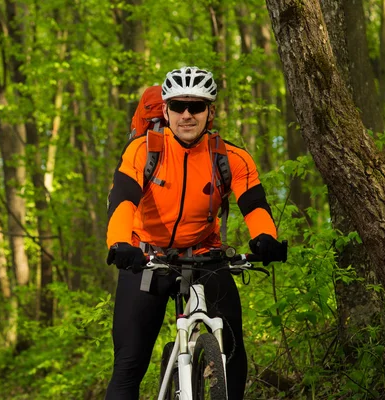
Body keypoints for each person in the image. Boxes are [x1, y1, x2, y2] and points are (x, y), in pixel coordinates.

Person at [105, 66, 286, 399]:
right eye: (178, 106)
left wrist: (264, 238)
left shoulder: (231, 158)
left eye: (197, 106)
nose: (186, 114)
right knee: (129, 365)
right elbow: (122, 202)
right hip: (146, 258)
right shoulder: (143, 152)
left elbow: (255, 204)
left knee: (231, 347)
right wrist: (120, 243)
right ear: (165, 110)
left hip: (205, 255)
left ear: (210, 112)